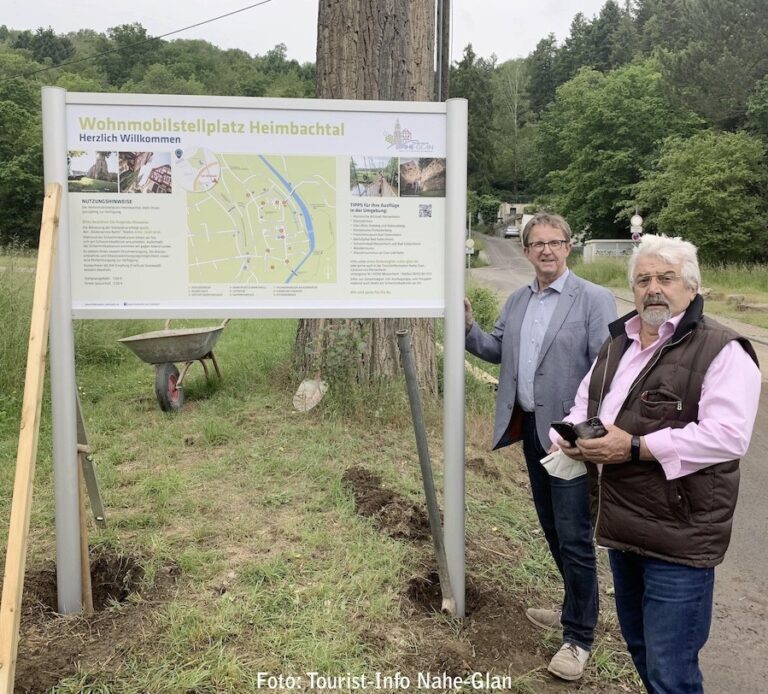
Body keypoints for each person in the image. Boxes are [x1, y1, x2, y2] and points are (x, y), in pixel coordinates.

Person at [554, 234, 761, 693]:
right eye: (644, 279)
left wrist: (634, 447)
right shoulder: (619, 342)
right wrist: (567, 435)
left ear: (692, 286)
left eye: (666, 278)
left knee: (672, 671)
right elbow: (585, 403)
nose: (653, 288)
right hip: (623, 527)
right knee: (643, 650)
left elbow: (728, 436)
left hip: (680, 537)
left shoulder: (723, 350)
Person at [464, 212, 617, 681]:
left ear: (568, 247)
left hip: (569, 442)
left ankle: (579, 637)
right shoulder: (516, 301)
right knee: (551, 527)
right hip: (531, 431)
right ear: (527, 250)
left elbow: (606, 373)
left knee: (574, 535)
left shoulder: (594, 300)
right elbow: (497, 351)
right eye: (537, 244)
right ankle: (573, 605)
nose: (546, 250)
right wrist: (469, 325)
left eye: (555, 242)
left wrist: (587, 437)